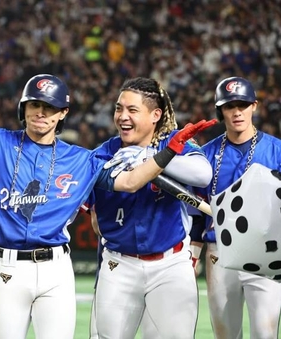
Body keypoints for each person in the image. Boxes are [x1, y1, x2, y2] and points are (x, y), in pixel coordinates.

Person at [0, 39, 216, 339]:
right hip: (7, 268)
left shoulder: (82, 159)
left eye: (49, 108)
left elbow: (129, 182)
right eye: (35, 105)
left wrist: (167, 151)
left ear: (62, 113)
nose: (41, 113)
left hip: (57, 269)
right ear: (24, 108)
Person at [87, 77, 213, 339]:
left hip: (171, 264)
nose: (122, 116)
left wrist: (151, 157)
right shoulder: (103, 154)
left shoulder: (175, 143)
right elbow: (95, 220)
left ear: (155, 115)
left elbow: (203, 175)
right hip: (118, 265)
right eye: (118, 108)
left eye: (132, 110)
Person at [190, 76, 281, 339]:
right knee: (226, 335)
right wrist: (193, 253)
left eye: (243, 104)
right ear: (221, 111)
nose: (237, 112)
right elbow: (197, 212)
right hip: (219, 252)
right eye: (230, 106)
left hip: (266, 251)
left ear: (254, 106)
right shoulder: (206, 154)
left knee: (265, 334)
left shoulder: (276, 151)